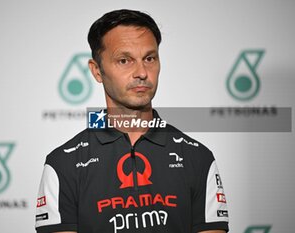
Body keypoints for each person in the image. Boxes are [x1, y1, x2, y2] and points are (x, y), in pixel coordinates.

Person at [35, 9, 229, 233]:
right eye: (124, 60)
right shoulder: (62, 165)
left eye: (149, 58)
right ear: (97, 71)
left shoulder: (198, 157)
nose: (142, 72)